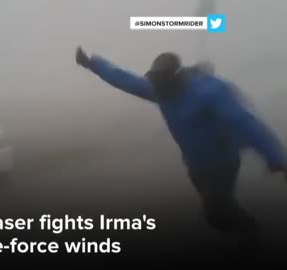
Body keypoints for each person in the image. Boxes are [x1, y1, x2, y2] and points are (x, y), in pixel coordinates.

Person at [75, 46, 287, 254]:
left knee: (216, 212)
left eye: (160, 83)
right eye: (154, 82)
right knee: (218, 211)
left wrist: (276, 158)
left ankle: (250, 230)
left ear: (174, 78)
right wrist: (92, 63)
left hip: (223, 162)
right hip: (196, 165)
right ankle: (244, 229)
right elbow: (123, 79)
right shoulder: (159, 90)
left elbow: (245, 123)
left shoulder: (209, 92)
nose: (156, 88)